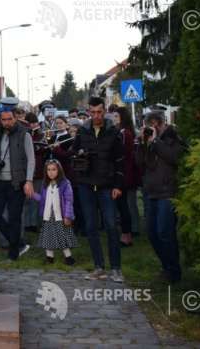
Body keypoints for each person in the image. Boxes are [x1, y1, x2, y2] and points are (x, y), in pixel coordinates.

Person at [71, 96, 125, 282]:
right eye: (93, 112)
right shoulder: (82, 131)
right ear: (88, 112)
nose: (96, 116)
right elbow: (73, 154)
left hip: (107, 186)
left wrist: (118, 185)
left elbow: (120, 161)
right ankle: (99, 266)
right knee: (91, 227)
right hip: (86, 185)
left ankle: (116, 268)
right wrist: (79, 155)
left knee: (111, 226)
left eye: (99, 112)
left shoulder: (113, 132)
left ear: (104, 112)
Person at [135, 111, 186, 283]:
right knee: (152, 233)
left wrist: (156, 141)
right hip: (151, 192)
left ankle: (174, 271)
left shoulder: (174, 137)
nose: (149, 129)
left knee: (165, 232)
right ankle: (166, 267)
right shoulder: (147, 140)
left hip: (167, 192)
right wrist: (142, 143)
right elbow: (139, 162)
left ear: (159, 124)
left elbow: (174, 158)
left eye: (151, 126)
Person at [0, 102, 35, 261]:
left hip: (17, 182)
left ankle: (13, 253)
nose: (6, 122)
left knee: (15, 218)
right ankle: (19, 243)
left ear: (15, 118)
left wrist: (28, 180)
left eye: (9, 119)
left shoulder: (25, 134)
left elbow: (31, 160)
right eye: (3, 119)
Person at [32, 159, 77, 265]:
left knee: (62, 236)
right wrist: (33, 194)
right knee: (48, 237)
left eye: (53, 169)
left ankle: (69, 257)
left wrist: (67, 216)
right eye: (48, 170)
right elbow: (42, 199)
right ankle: (49, 258)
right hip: (48, 216)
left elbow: (69, 201)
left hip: (60, 216)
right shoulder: (45, 184)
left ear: (59, 170)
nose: (51, 172)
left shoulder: (65, 183)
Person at [113, 106, 138, 246]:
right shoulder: (122, 132)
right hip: (123, 172)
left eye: (116, 116)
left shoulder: (124, 133)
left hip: (123, 173)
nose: (114, 119)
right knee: (122, 206)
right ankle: (126, 233)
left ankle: (126, 235)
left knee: (124, 207)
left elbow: (122, 153)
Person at [23, 112, 47, 233]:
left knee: (36, 198)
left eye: (34, 122)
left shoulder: (41, 135)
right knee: (27, 198)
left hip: (38, 170)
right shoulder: (23, 134)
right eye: (30, 123)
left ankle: (35, 223)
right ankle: (26, 223)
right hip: (26, 170)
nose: (33, 125)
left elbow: (43, 150)